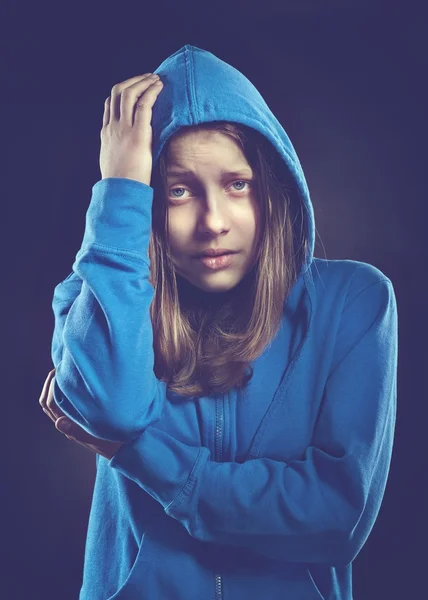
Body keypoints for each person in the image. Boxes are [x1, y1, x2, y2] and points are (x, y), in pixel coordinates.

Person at [40, 44, 398, 599]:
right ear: (148, 202)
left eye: (238, 184)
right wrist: (119, 187)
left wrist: (137, 454)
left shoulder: (354, 302)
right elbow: (113, 405)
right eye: (178, 190)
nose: (212, 223)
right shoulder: (93, 303)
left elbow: (334, 516)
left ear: (272, 189)